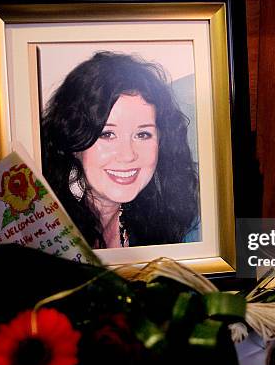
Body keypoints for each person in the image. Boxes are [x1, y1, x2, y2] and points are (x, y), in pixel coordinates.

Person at [41, 51, 200, 248]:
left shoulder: (175, 213)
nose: (128, 155)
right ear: (74, 141)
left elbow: (245, 257)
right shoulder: (39, 227)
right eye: (107, 134)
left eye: (142, 134)